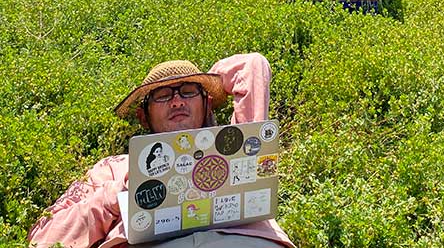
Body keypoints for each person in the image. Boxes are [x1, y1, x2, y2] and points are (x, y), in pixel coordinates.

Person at [28, 53, 295, 248]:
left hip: (241, 241)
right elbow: (45, 238)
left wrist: (210, 81)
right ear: (144, 117)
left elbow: (252, 65)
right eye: (163, 95)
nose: (177, 101)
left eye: (188, 91)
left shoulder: (236, 144)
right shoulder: (113, 168)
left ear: (207, 105)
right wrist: (118, 195)